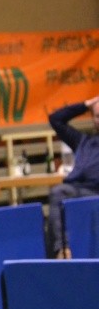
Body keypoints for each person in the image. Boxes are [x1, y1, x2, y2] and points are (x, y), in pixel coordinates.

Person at [47, 95, 99, 257]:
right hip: (75, 190)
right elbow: (55, 119)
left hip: (95, 191)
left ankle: (61, 250)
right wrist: (86, 105)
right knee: (58, 193)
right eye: (97, 116)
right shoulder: (83, 141)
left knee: (59, 192)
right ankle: (62, 251)